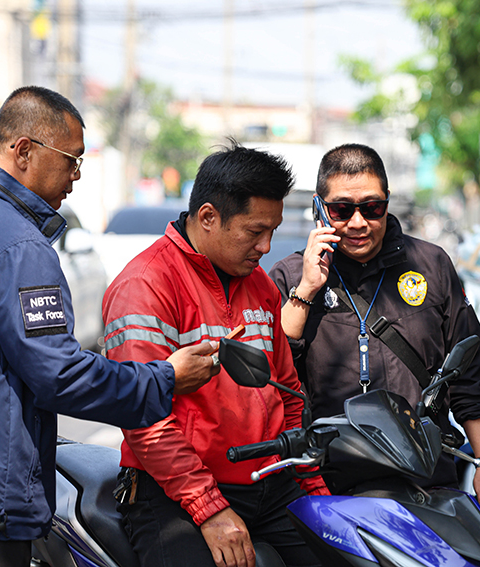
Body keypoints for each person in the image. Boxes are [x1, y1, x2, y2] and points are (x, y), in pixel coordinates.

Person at [0, 86, 198, 567]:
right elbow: (60, 376)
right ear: (23, 151)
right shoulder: (19, 245)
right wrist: (166, 378)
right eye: (71, 160)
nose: (76, 177)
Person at [102, 140, 329, 567]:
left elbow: (289, 393)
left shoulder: (259, 285)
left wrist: (314, 488)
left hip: (270, 482)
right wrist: (208, 506)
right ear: (208, 217)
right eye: (254, 231)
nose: (266, 247)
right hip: (173, 492)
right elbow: (144, 418)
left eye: (272, 232)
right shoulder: (145, 286)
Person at [269, 143, 480, 518]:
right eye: (342, 210)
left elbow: (470, 372)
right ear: (319, 208)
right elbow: (272, 367)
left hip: (425, 480)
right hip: (325, 485)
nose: (359, 222)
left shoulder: (431, 264)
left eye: (372, 207)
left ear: (388, 201)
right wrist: (307, 289)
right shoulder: (289, 276)